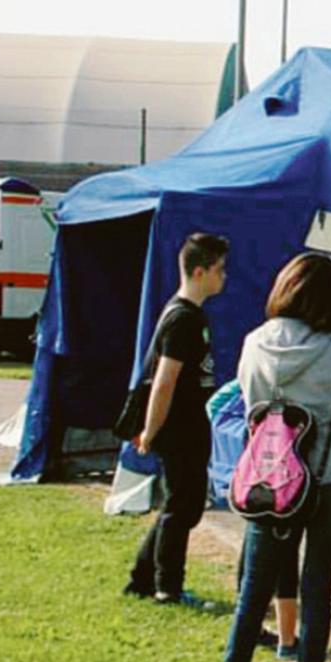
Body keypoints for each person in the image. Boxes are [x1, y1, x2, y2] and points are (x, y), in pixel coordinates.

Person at [192, 253, 331, 662]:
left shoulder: (254, 342)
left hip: (269, 476)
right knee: (317, 586)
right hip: (329, 476)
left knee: (255, 586)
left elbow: (253, 407)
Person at [124, 232, 229, 608]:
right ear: (199, 271)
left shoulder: (190, 314)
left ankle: (142, 577)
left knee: (182, 504)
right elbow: (164, 381)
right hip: (178, 425)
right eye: (219, 269)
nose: (224, 277)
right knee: (181, 507)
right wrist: (150, 430)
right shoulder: (182, 318)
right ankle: (167, 586)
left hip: (189, 421)